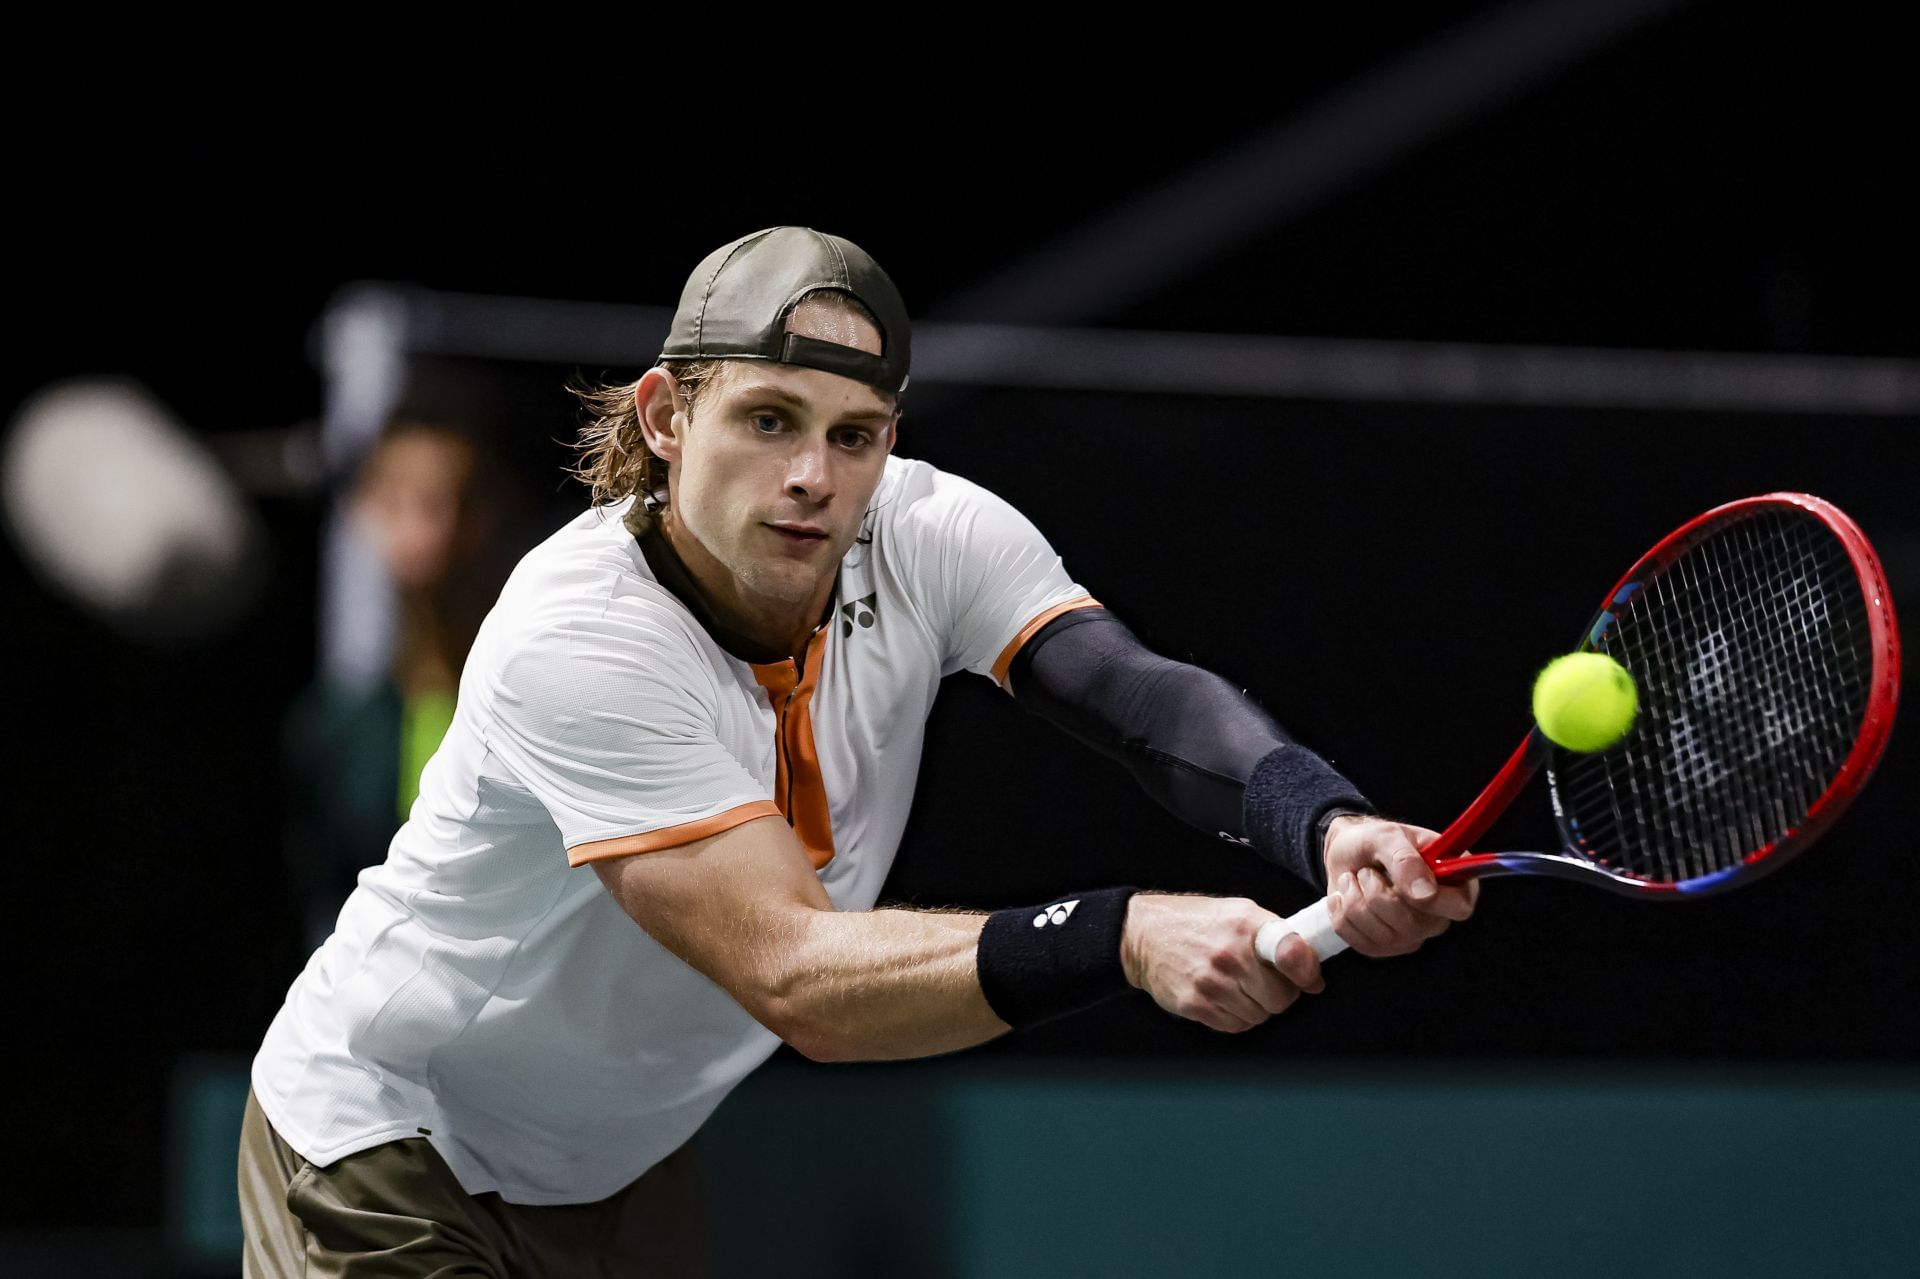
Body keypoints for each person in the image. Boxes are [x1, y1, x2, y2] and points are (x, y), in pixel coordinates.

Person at [240, 227, 1478, 1276]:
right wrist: (1128, 933)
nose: (813, 477)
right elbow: (800, 978)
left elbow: (1132, 695)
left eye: (854, 433)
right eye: (770, 419)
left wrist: (1322, 821)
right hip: (388, 1134)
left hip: (614, 1161)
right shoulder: (580, 636)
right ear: (668, 415)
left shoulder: (927, 526)